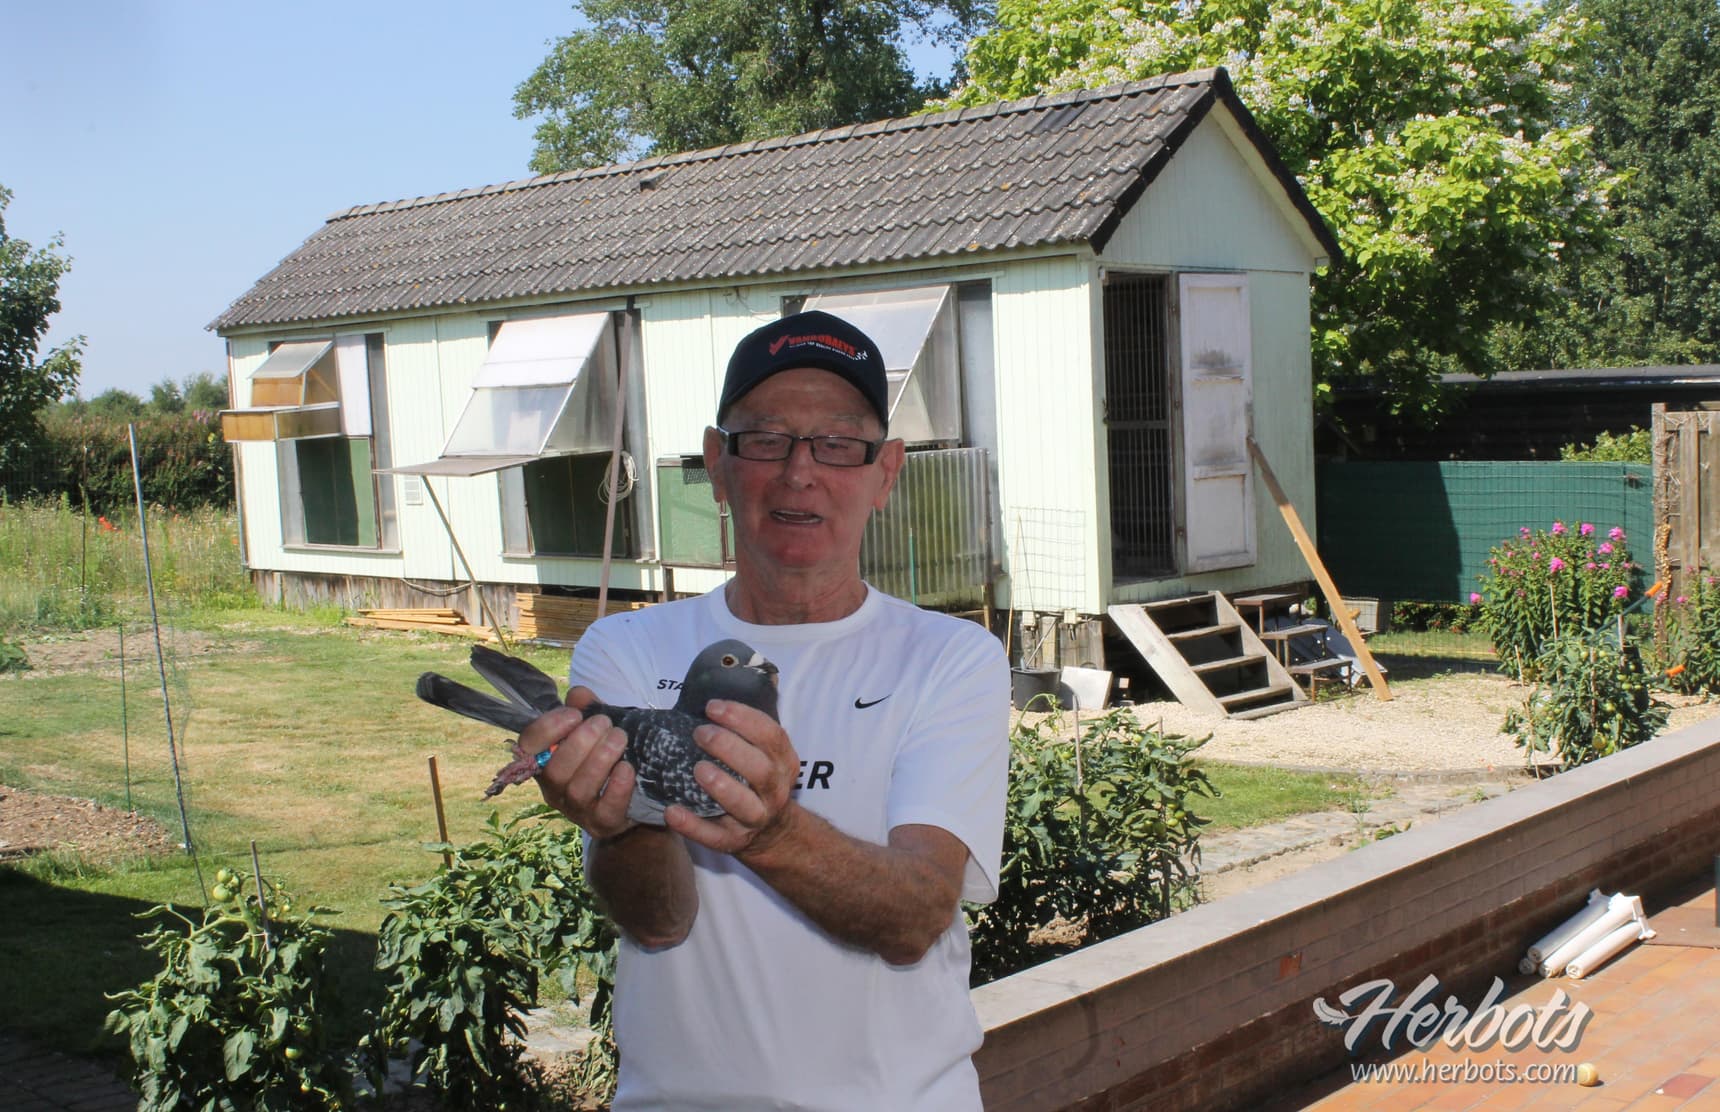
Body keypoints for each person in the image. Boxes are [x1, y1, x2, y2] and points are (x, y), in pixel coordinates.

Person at [521, 310, 1011, 1110]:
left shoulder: (949, 659)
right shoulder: (630, 654)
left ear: (885, 472)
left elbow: (916, 913)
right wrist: (623, 823)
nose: (799, 472)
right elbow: (658, 922)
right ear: (718, 464)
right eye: (766, 440)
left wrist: (772, 830)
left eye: (838, 444)